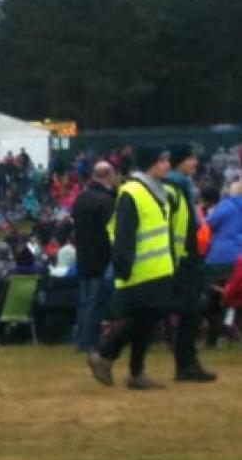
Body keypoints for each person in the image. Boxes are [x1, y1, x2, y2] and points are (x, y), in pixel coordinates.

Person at [87, 147, 177, 389]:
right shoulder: (133, 192)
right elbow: (124, 233)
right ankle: (106, 353)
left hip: (157, 268)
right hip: (140, 270)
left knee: (146, 320)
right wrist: (123, 265)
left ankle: (135, 372)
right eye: (162, 162)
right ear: (150, 165)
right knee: (143, 318)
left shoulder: (160, 192)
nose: (167, 165)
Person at [164, 145, 215, 382]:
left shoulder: (183, 186)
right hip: (183, 256)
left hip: (188, 253)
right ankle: (186, 363)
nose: (195, 162)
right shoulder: (176, 187)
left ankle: (187, 363)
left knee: (191, 309)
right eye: (191, 158)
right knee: (189, 308)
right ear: (180, 161)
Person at [72, 161, 118, 352]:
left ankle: (81, 339)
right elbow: (113, 233)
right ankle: (89, 342)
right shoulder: (107, 202)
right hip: (101, 257)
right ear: (109, 176)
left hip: (83, 256)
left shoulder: (81, 199)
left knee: (85, 301)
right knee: (96, 302)